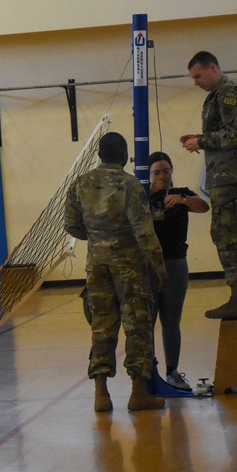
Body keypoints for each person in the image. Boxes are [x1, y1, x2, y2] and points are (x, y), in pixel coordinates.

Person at [64, 132, 168, 412]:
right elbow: (143, 230)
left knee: (101, 326)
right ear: (123, 155)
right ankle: (138, 393)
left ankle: (101, 394)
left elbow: (71, 225)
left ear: (100, 154)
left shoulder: (80, 183)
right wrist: (159, 265)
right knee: (137, 326)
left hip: (96, 265)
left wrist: (99, 237)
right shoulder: (130, 185)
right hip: (129, 266)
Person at [181, 50, 237, 319]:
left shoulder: (228, 93)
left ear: (213, 67)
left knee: (228, 236)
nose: (196, 82)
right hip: (229, 176)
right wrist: (200, 137)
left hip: (231, 176)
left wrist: (201, 142)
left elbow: (234, 135)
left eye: (198, 76)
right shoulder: (219, 95)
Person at [147, 151, 210, 391]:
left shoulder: (180, 193)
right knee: (147, 321)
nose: (162, 176)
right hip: (149, 267)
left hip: (175, 263)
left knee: (171, 320)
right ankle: (147, 372)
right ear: (149, 175)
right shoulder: (142, 198)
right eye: (156, 173)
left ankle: (172, 372)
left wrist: (181, 199)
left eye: (166, 171)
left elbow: (203, 206)